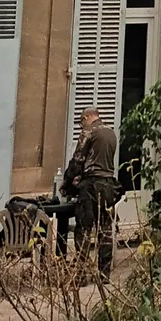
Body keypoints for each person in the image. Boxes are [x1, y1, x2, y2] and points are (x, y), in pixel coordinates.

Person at [63, 108, 118, 278]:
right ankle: (104, 273)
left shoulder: (89, 131)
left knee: (84, 229)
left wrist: (67, 183)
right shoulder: (110, 133)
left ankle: (80, 274)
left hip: (91, 187)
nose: (81, 126)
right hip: (109, 185)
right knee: (106, 230)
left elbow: (78, 160)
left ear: (86, 118)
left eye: (81, 123)